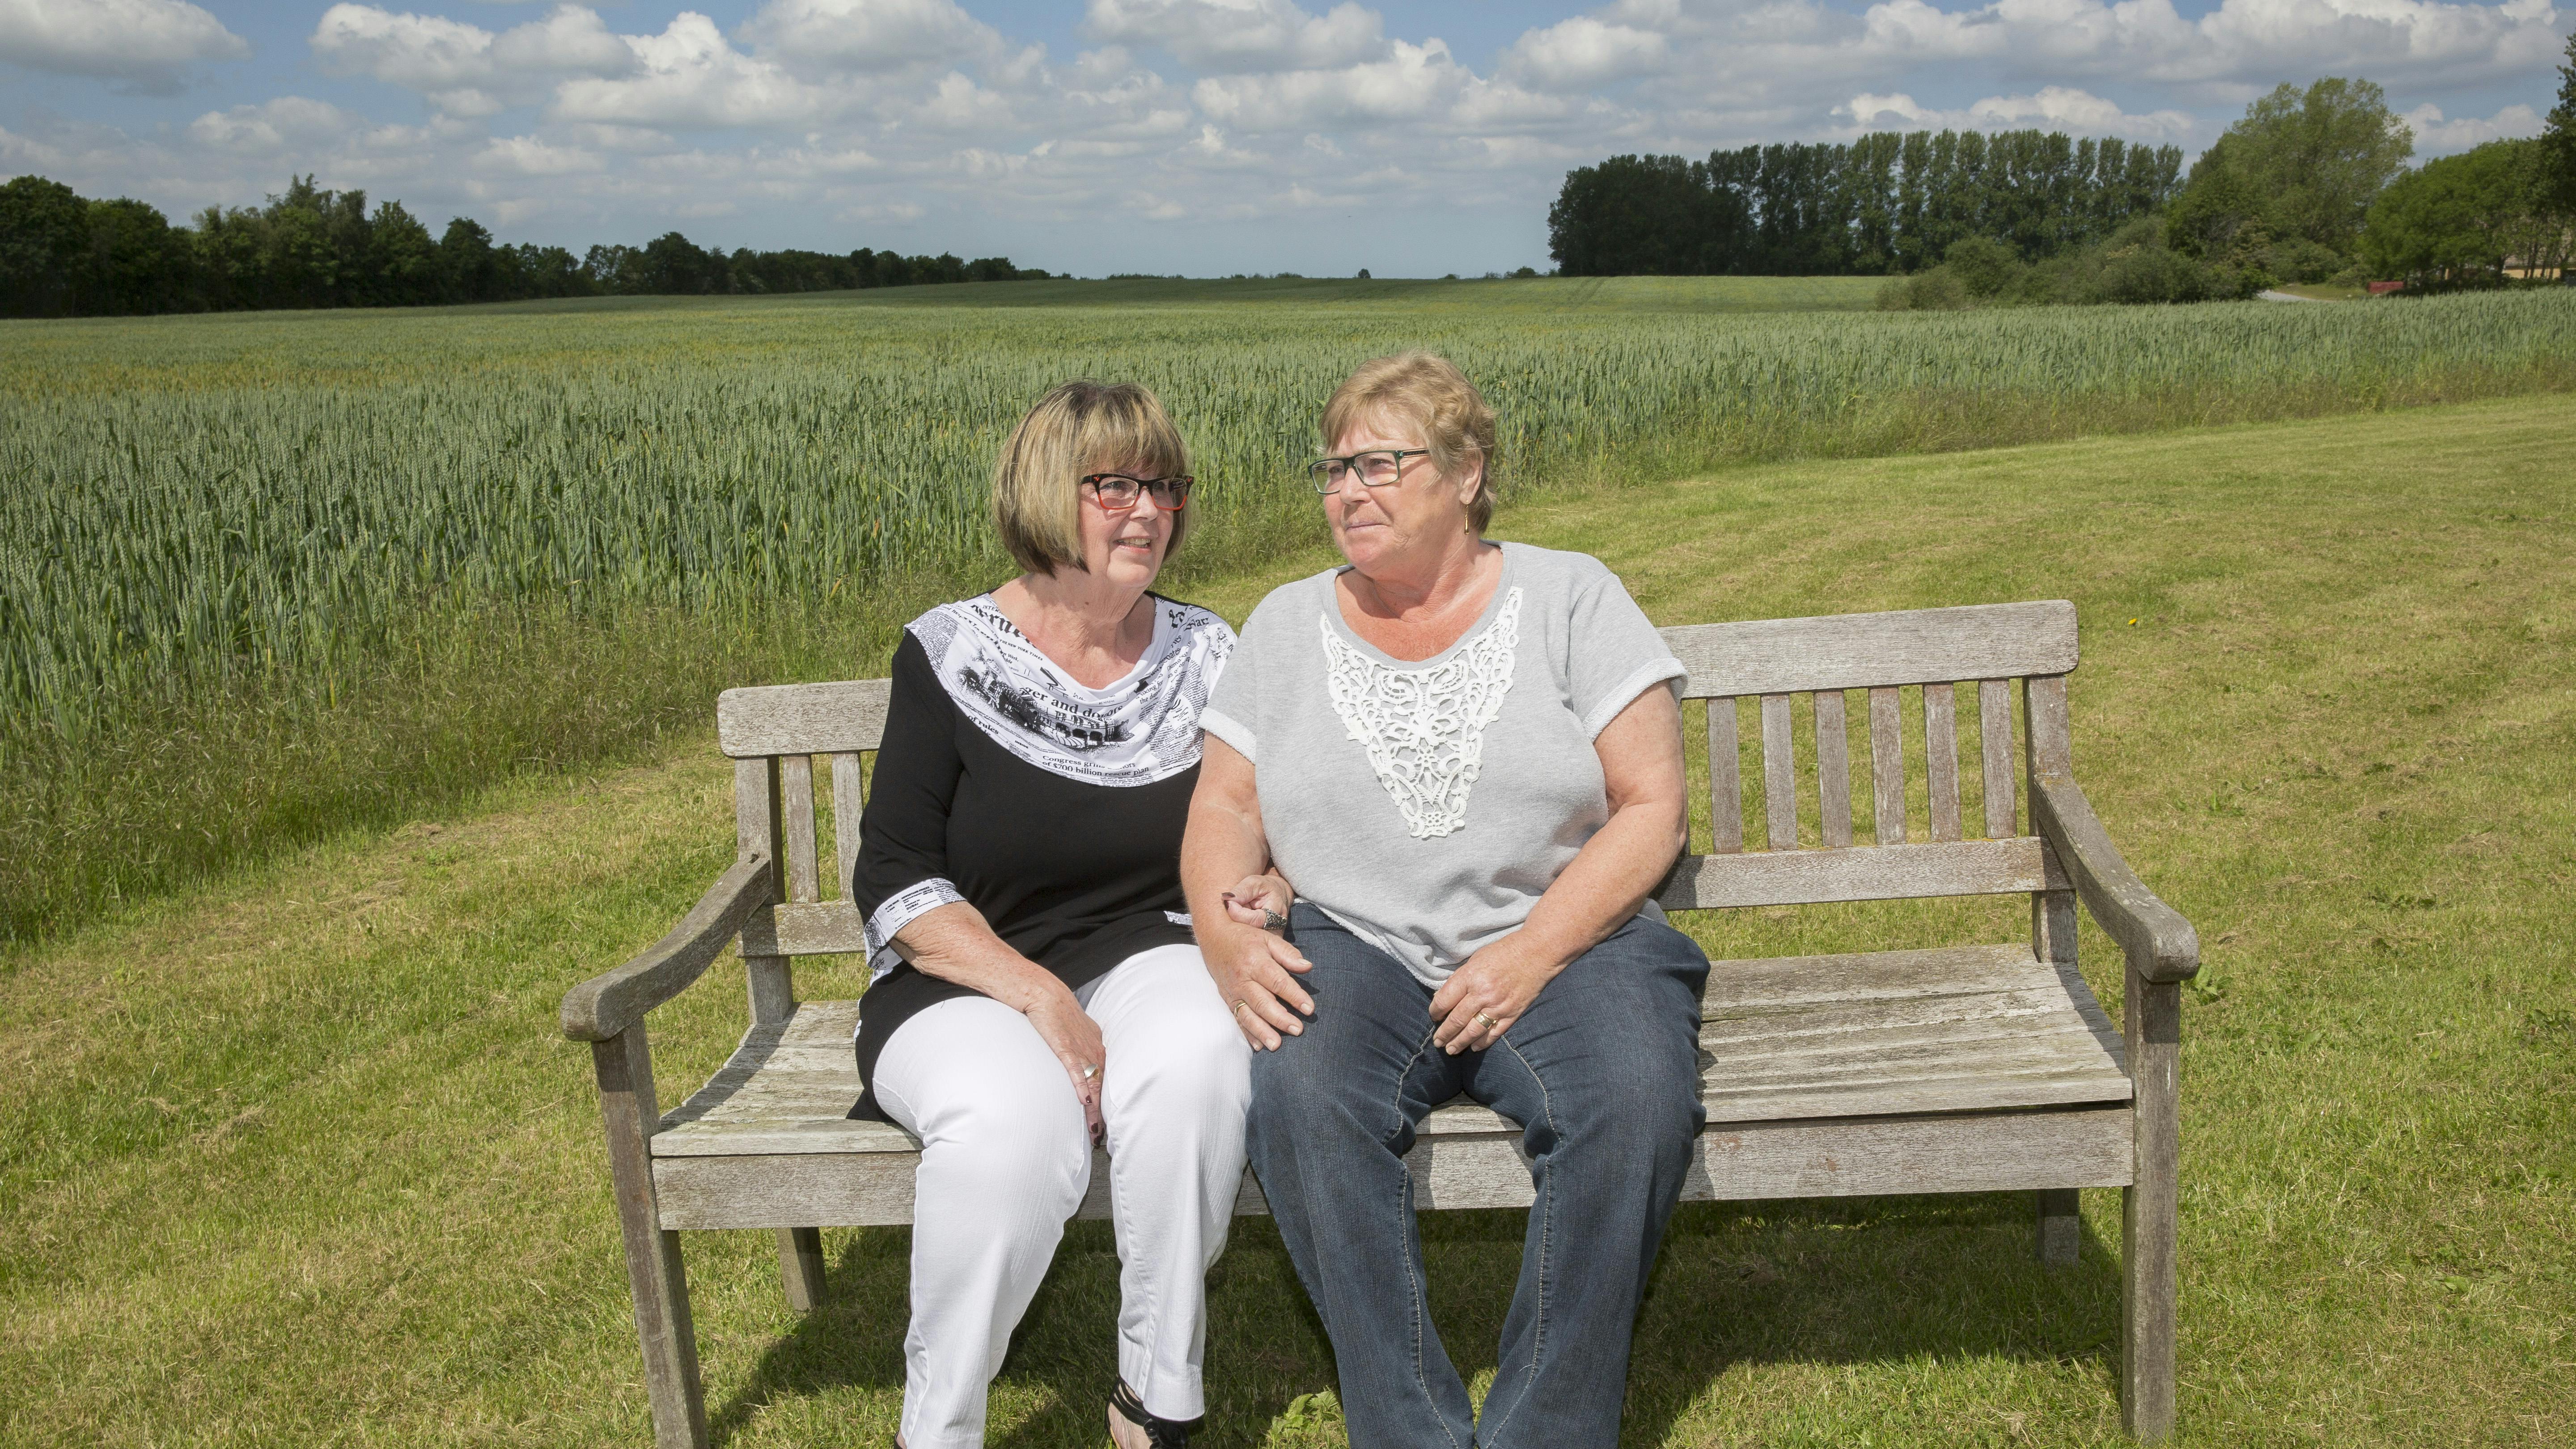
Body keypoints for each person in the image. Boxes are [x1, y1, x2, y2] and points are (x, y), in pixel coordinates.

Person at [1182, 352, 1709, 1449]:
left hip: (1569, 937)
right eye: (1333, 469)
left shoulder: (1572, 594)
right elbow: (1225, 808)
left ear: (1466, 474)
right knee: (1301, 1101)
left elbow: (1651, 808)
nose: (1347, 491)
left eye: (1379, 463)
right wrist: (1229, 945)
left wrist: (1530, 957)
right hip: (1357, 944)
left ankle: (1544, 1431)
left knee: (1634, 1098)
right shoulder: (1285, 624)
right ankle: (1408, 1428)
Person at [850, 380, 1264, 1449]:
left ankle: (1156, 1395)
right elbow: (894, 875)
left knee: (1199, 1064)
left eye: (1164, 487)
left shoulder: (1207, 656)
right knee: (1011, 1128)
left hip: (1149, 953)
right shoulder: (947, 653)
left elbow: (1268, 825)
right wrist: (1040, 1000)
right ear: (1046, 493)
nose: (1148, 511)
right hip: (966, 977)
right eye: (1113, 485)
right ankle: (937, 1431)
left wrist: (1279, 883)